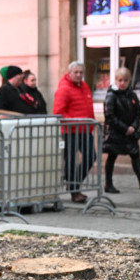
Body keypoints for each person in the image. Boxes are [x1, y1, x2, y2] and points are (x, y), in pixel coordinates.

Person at [53, 61, 97, 203]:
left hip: (85, 130)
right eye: (76, 72)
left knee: (91, 157)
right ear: (69, 73)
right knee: (71, 161)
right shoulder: (64, 89)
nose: (78, 75)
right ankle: (74, 191)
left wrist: (91, 122)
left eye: (81, 72)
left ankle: (74, 184)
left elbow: (88, 107)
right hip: (70, 131)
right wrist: (76, 121)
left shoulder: (84, 86)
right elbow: (58, 112)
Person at [102, 67, 140, 193]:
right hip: (115, 132)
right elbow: (110, 116)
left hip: (130, 132)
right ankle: (108, 183)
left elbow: (138, 112)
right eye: (120, 80)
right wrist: (125, 128)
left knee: (135, 155)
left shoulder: (131, 94)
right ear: (116, 80)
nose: (122, 83)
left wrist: (134, 126)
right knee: (112, 156)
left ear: (129, 81)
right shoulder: (111, 95)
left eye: (125, 80)